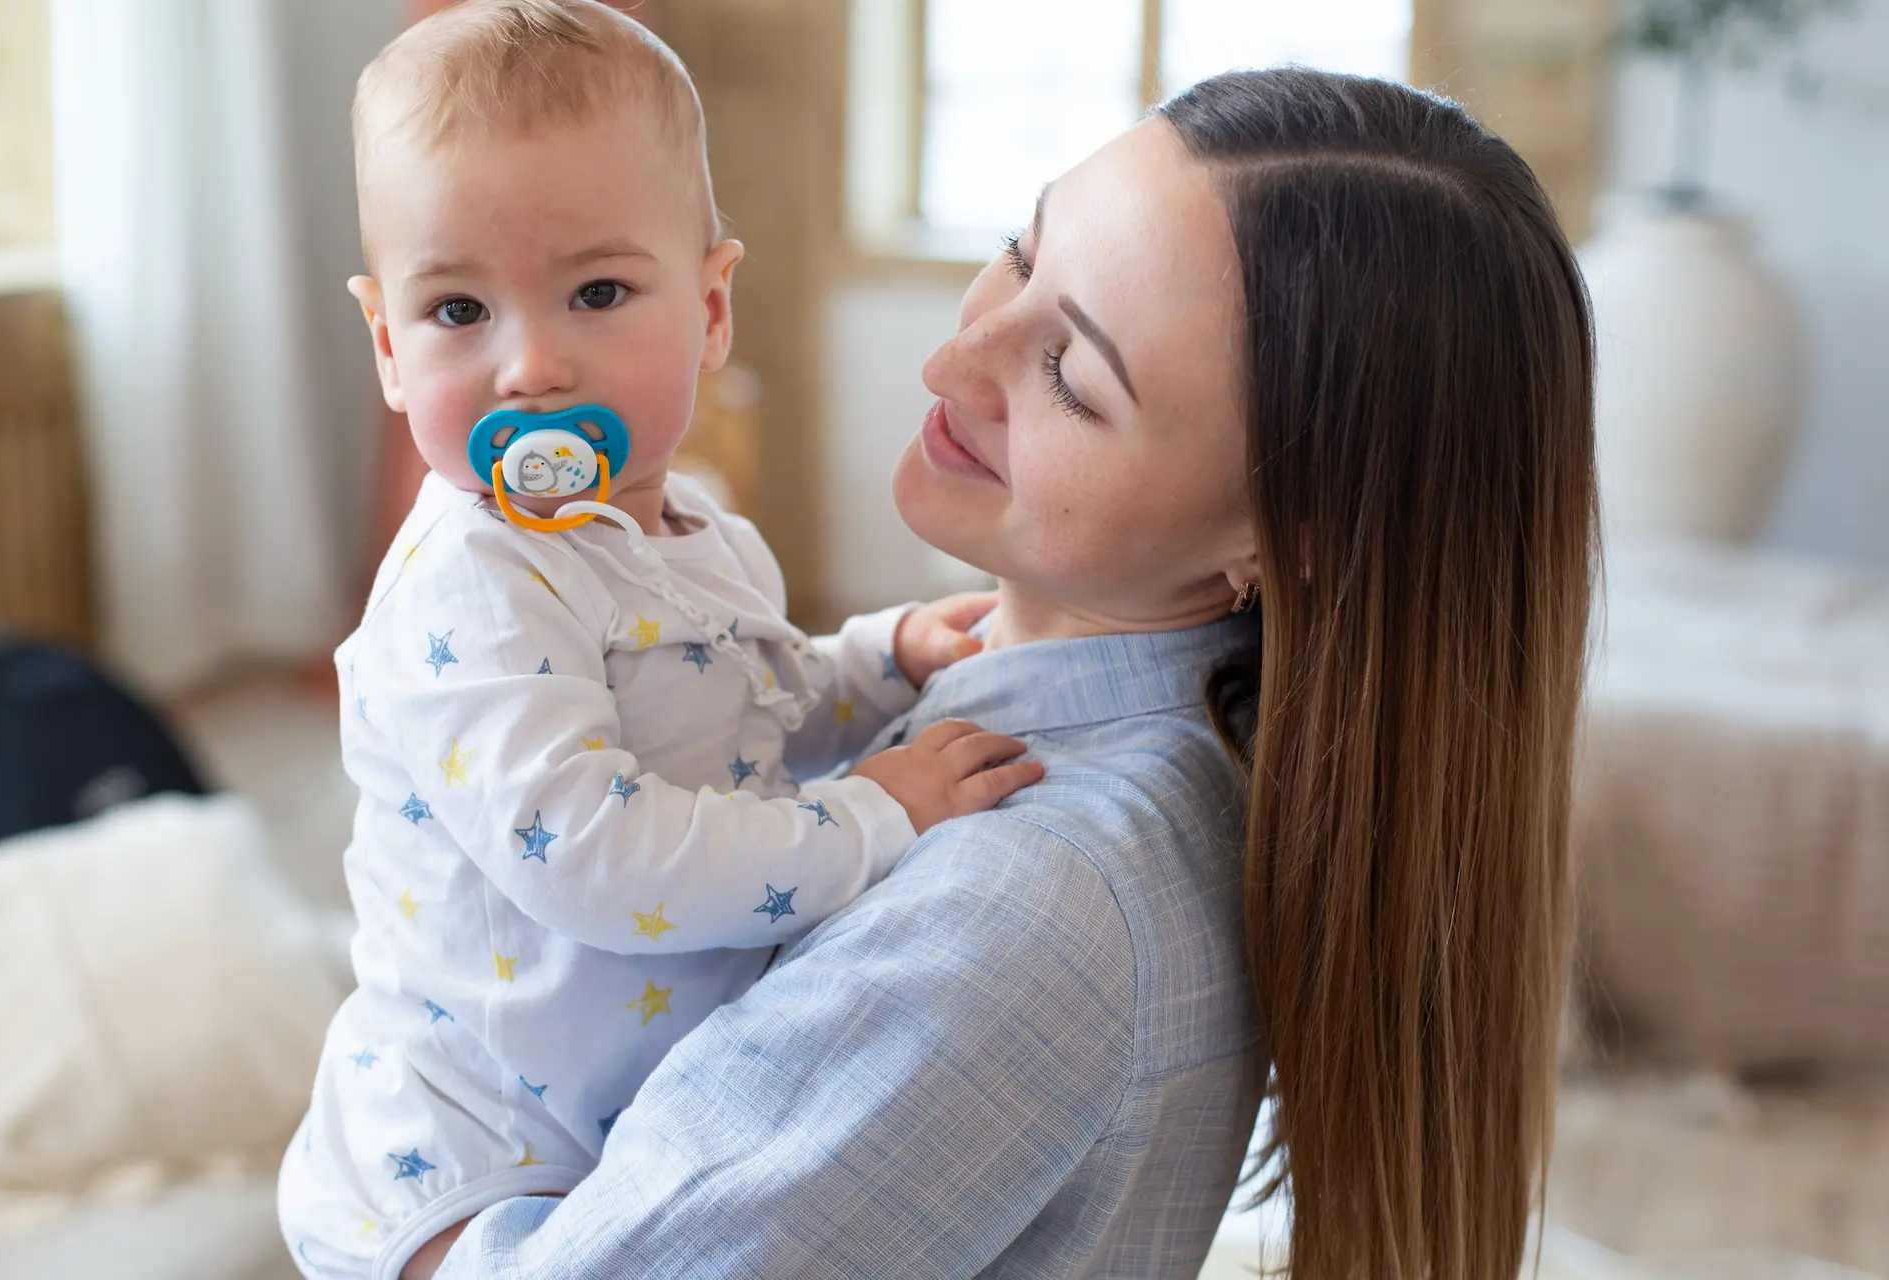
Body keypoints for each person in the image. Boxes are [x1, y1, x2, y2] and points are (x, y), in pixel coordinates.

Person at [421, 65, 1599, 1280]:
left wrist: (401, 1202)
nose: (956, 358)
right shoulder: (1132, 734)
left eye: (1073, 379)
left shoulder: (1022, 905)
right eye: (1019, 255)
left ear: (1278, 536)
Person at [277, 3, 1043, 1276]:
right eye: (458, 308)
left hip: (620, 1114)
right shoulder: (475, 584)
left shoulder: (707, 536)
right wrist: (872, 814)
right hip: (471, 1154)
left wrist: (876, 657)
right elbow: (598, 851)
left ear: (712, 306)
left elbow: (749, 706)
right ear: (387, 348)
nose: (530, 366)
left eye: (596, 292)